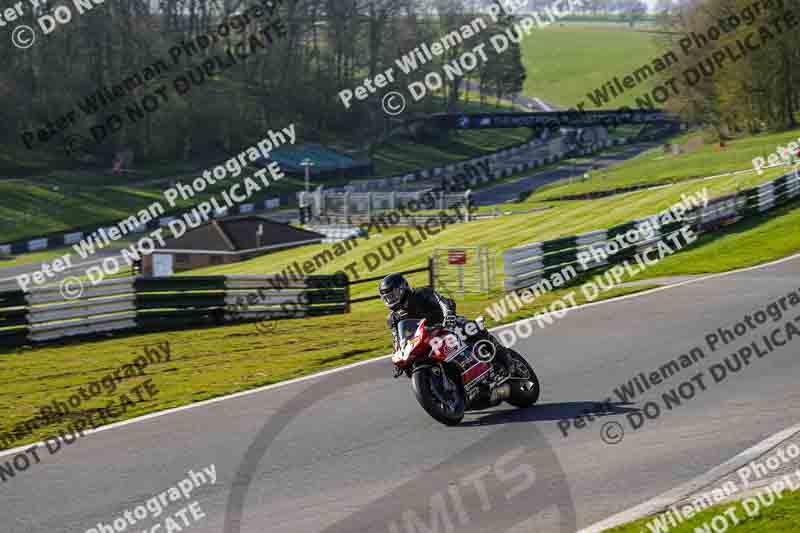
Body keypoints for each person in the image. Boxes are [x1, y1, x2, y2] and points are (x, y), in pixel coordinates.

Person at [379, 273, 511, 371]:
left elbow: (444, 302)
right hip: (425, 341)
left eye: (393, 295)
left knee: (471, 328)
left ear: (403, 288)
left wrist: (449, 316)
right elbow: (397, 339)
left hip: (446, 325)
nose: (391, 300)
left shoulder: (421, 293)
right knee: (409, 366)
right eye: (387, 298)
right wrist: (399, 357)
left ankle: (506, 360)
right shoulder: (393, 318)